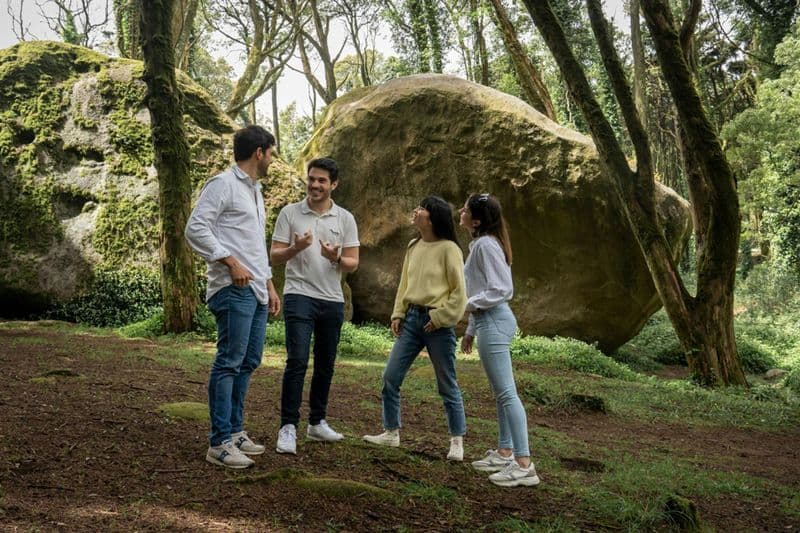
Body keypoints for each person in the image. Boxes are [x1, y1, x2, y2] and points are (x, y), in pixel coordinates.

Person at [185, 125, 281, 469]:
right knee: (228, 362)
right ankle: (219, 442)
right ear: (259, 153)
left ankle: (236, 431)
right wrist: (229, 261)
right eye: (271, 153)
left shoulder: (254, 192)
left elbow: (254, 245)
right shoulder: (222, 184)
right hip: (232, 289)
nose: (272, 159)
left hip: (255, 290)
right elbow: (195, 228)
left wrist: (269, 286)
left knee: (249, 362)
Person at [363, 196, 468, 461]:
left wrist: (442, 317)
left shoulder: (449, 249)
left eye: (420, 209)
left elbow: (459, 293)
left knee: (447, 384)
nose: (415, 211)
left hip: (437, 325)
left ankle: (457, 441)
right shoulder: (414, 245)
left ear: (432, 217)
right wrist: (398, 312)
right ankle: (391, 432)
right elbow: (404, 282)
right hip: (411, 321)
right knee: (390, 376)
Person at [270, 157, 360, 455]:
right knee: (297, 361)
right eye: (311, 179)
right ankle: (288, 427)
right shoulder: (290, 212)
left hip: (332, 300)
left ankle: (317, 422)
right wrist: (296, 248)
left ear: (334, 184)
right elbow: (274, 256)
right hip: (299, 295)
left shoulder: (345, 218)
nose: (315, 185)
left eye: (322, 180)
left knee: (325, 364)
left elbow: (353, 262)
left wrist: (335, 257)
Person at [459, 193, 540, 487]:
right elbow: (482, 289)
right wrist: (470, 329)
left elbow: (501, 290)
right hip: (486, 322)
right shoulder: (482, 244)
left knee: (507, 393)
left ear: (477, 220)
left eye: (466, 209)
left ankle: (523, 464)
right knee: (501, 393)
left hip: (494, 321)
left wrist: (463, 307)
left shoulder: (484, 245)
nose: (461, 211)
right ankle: (505, 451)